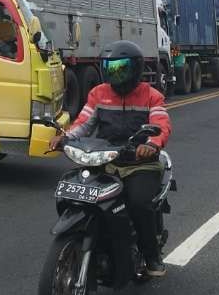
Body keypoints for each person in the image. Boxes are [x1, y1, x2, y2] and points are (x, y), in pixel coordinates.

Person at [48, 41, 172, 278]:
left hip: (139, 163)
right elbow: (83, 123)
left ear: (134, 69)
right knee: (77, 192)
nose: (115, 74)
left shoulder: (151, 96)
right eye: (110, 68)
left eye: (121, 68)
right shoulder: (99, 93)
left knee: (138, 202)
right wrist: (64, 138)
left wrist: (151, 144)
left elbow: (161, 125)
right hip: (105, 159)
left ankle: (151, 256)